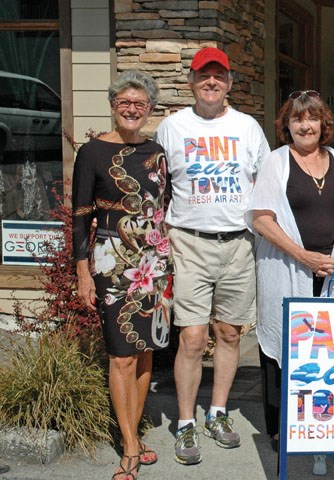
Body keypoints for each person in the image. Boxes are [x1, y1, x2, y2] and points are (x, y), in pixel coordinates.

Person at [154, 47, 270, 465]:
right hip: (190, 242)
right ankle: (186, 421)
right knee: (191, 338)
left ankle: (218, 413)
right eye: (204, 75)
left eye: (219, 76)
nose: (211, 82)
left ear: (229, 82)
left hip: (238, 243)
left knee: (230, 334)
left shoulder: (248, 127)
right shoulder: (172, 127)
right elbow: (158, 186)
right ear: (191, 80)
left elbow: (265, 185)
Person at [247, 90, 334, 476]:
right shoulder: (276, 162)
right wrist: (303, 256)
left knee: (328, 353)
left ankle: (323, 425)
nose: (304, 125)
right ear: (286, 125)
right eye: (296, 119)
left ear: (324, 123)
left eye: (311, 118)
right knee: (284, 352)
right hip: (288, 270)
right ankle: (283, 430)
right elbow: (260, 218)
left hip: (332, 272)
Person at [73, 70, 171, 480]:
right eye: (124, 103)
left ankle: (134, 432)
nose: (132, 109)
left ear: (150, 109)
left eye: (140, 103)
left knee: (146, 349)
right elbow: (80, 217)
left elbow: (163, 208)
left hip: (154, 263)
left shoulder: (157, 150)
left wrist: (169, 262)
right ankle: (129, 446)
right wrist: (82, 271)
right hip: (112, 260)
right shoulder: (92, 152)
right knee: (120, 354)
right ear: (113, 106)